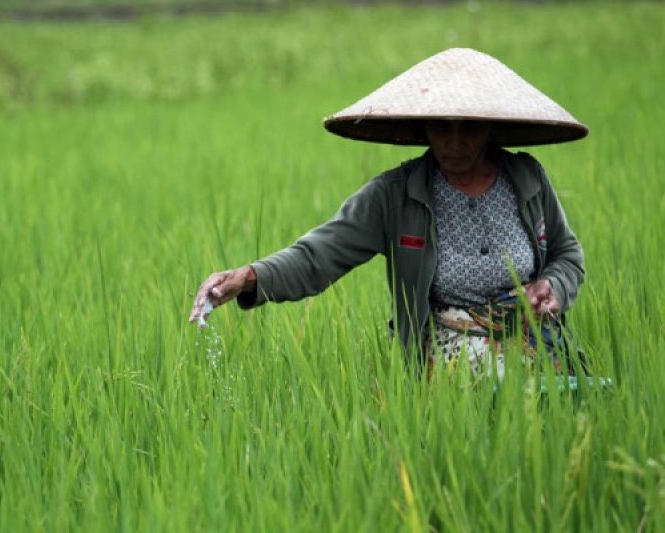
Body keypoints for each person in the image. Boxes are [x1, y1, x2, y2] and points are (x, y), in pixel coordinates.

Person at [189, 48, 587, 378]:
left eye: (467, 127)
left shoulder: (527, 179)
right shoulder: (396, 196)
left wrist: (552, 287)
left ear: (489, 126)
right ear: (423, 128)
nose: (453, 142)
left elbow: (567, 256)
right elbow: (318, 257)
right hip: (448, 366)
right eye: (441, 128)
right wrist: (248, 277)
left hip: (537, 354)